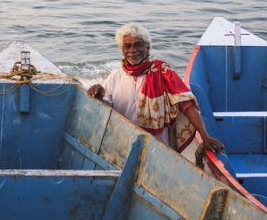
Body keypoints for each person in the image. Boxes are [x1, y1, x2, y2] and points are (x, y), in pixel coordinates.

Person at [87, 22, 224, 154]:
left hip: (158, 146)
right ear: (122, 50)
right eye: (127, 46)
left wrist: (205, 136)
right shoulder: (115, 77)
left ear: (147, 47)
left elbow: (187, 105)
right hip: (123, 141)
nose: (132, 50)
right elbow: (106, 109)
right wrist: (98, 96)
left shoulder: (164, 72)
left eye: (138, 45)